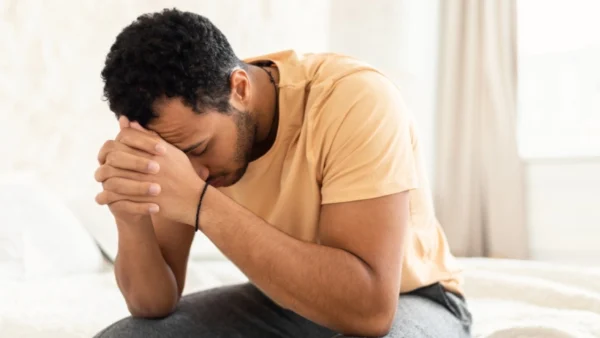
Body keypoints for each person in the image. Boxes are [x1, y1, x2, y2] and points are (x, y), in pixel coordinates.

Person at [93, 8, 472, 338]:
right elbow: (153, 304)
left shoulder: (353, 98)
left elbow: (370, 309)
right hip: (285, 302)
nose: (196, 172)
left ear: (239, 89)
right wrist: (131, 218)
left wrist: (200, 203)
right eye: (176, 159)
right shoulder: (186, 134)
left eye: (199, 149)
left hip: (411, 297)